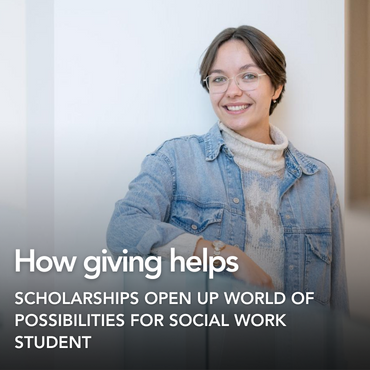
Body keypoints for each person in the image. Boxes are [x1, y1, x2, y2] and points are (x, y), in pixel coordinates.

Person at [107, 25, 348, 312]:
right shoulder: (176, 160)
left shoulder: (317, 180)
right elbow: (123, 228)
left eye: (248, 76)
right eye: (219, 79)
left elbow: (337, 306)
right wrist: (223, 254)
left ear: (277, 87)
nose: (232, 92)